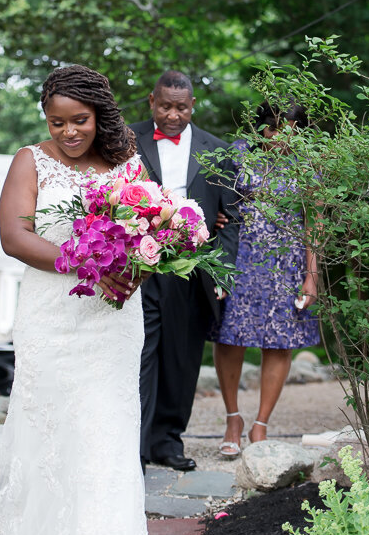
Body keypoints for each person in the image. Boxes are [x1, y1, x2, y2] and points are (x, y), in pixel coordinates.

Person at [0, 64, 164, 535]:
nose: (69, 132)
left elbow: (151, 233)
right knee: (49, 424)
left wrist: (132, 269)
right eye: (57, 121)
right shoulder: (30, 160)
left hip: (113, 317)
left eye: (80, 121)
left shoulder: (126, 163)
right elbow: (14, 237)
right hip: (50, 316)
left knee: (108, 429)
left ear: (99, 115)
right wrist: (86, 264)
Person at [131, 71, 239, 472]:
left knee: (182, 356)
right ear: (151, 101)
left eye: (181, 107)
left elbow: (234, 216)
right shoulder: (127, 139)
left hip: (193, 266)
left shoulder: (218, 150)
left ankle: (167, 442)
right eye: (165, 106)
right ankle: (135, 447)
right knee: (139, 354)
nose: (172, 115)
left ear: (192, 106)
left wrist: (223, 272)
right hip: (138, 264)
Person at [211, 101, 319, 457]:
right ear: (260, 128)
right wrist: (216, 220)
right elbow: (217, 201)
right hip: (240, 258)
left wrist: (311, 275)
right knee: (229, 337)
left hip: (286, 263)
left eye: (289, 130)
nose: (278, 138)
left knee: (280, 341)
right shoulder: (237, 155)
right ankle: (233, 420)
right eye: (272, 129)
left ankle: (261, 426)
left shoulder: (308, 164)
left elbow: (312, 222)